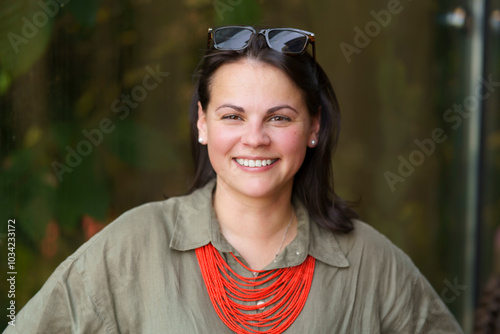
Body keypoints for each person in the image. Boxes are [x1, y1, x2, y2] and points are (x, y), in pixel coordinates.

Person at [4, 26, 463, 333]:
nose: (255, 138)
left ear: (314, 128)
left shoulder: (370, 262)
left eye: (279, 118)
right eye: (232, 116)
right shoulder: (133, 246)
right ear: (202, 124)